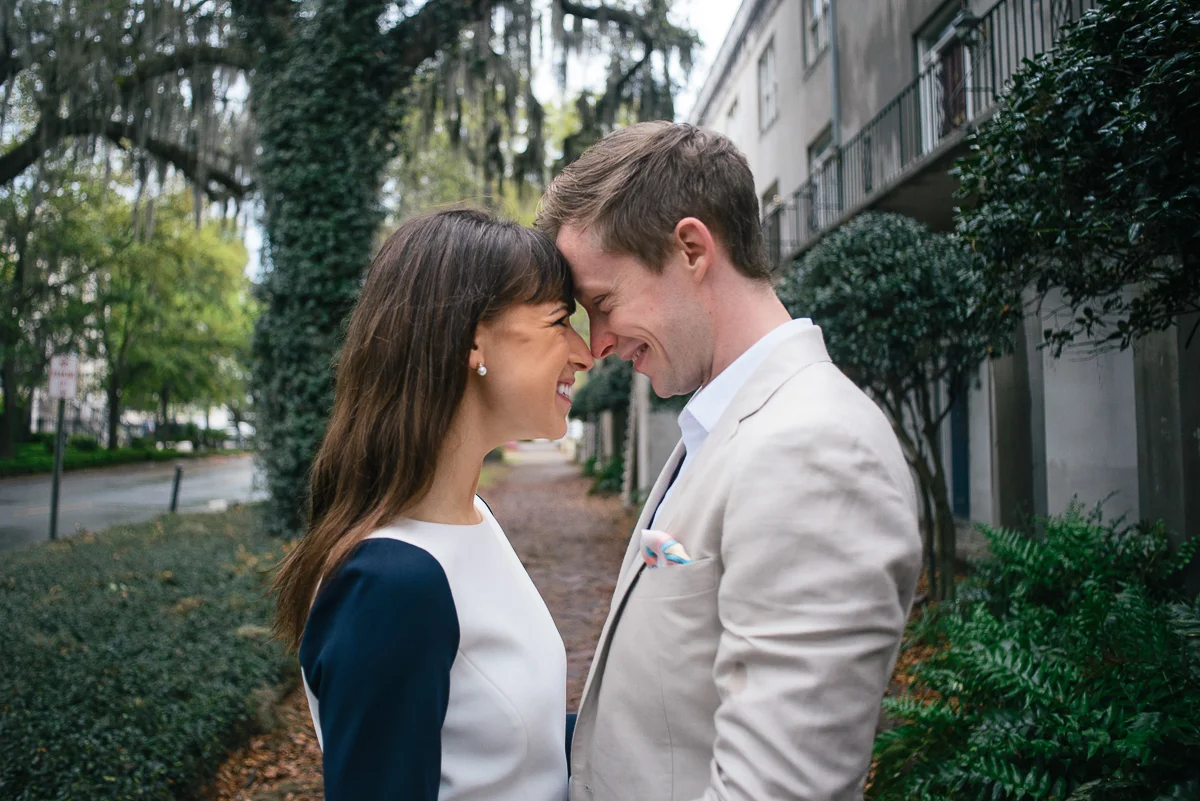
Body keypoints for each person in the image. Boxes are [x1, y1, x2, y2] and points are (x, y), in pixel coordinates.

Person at [536, 121, 923, 801]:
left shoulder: (816, 449)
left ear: (691, 248)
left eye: (602, 304)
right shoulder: (728, 424)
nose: (595, 344)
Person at [272, 208, 593, 801]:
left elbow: (509, 751)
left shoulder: (472, 521)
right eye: (558, 322)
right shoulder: (391, 583)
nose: (584, 352)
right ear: (472, 337)